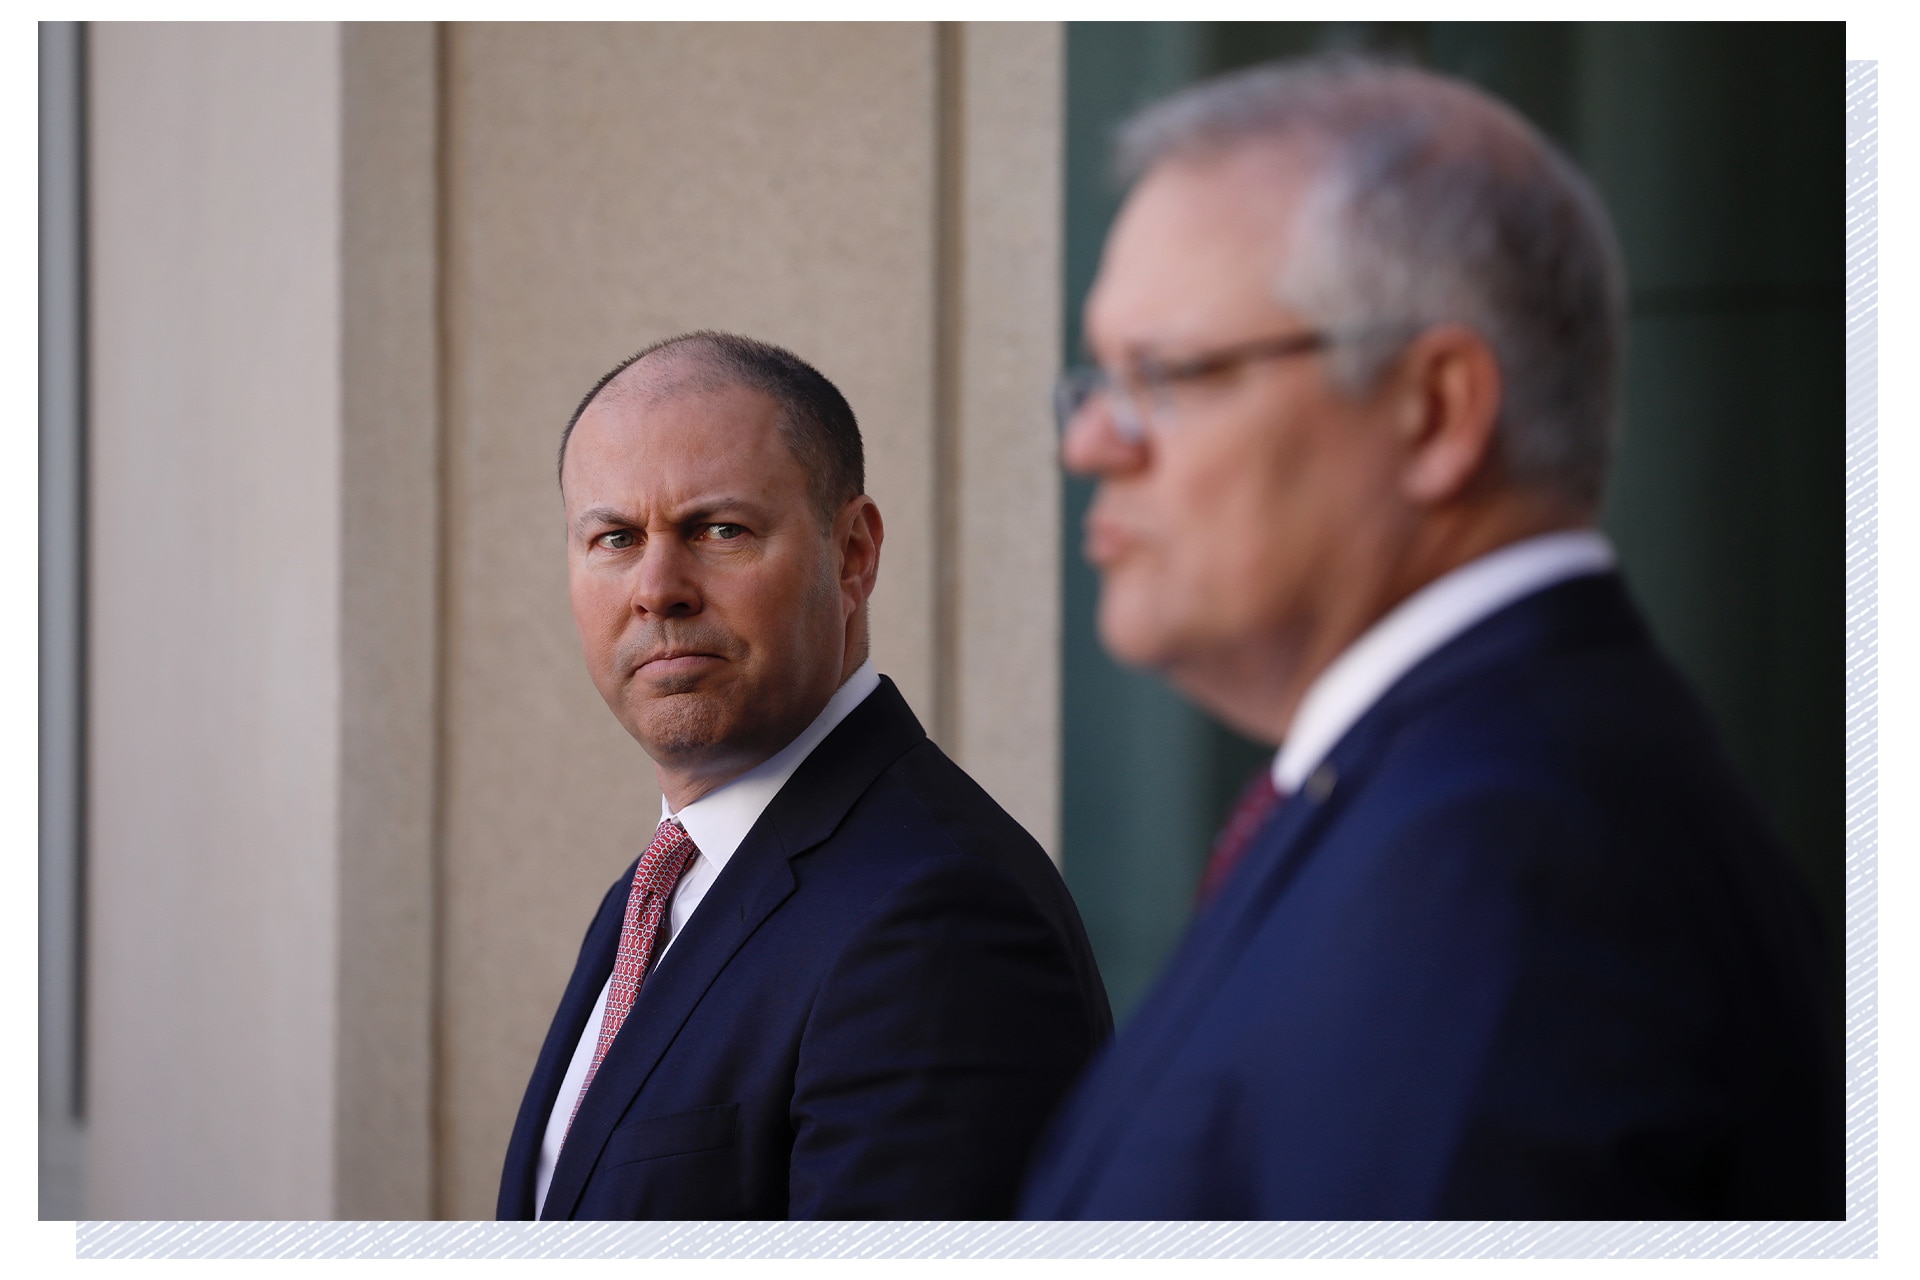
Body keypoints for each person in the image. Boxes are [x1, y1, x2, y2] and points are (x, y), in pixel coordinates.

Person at [1021, 56, 1841, 1219]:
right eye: (1097, 377)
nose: (1092, 443)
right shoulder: (1461, 790)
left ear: (1437, 410)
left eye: (1167, 372)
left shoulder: (1503, 853)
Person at [499, 331, 1111, 1220]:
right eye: (616, 537)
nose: (658, 587)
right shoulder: (657, 891)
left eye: (719, 530)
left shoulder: (937, 915)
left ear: (854, 553)